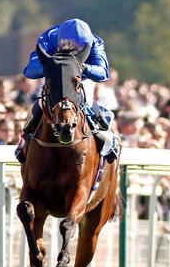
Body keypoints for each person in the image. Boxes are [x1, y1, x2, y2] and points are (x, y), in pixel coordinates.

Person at [14, 18, 115, 163]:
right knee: (44, 101)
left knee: (86, 100)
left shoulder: (94, 42)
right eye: (71, 46)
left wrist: (83, 67)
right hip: (54, 76)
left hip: (80, 78)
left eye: (79, 48)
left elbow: (103, 73)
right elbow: (30, 71)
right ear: (60, 40)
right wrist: (54, 67)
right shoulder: (48, 38)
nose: (74, 51)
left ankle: (105, 134)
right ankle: (26, 137)